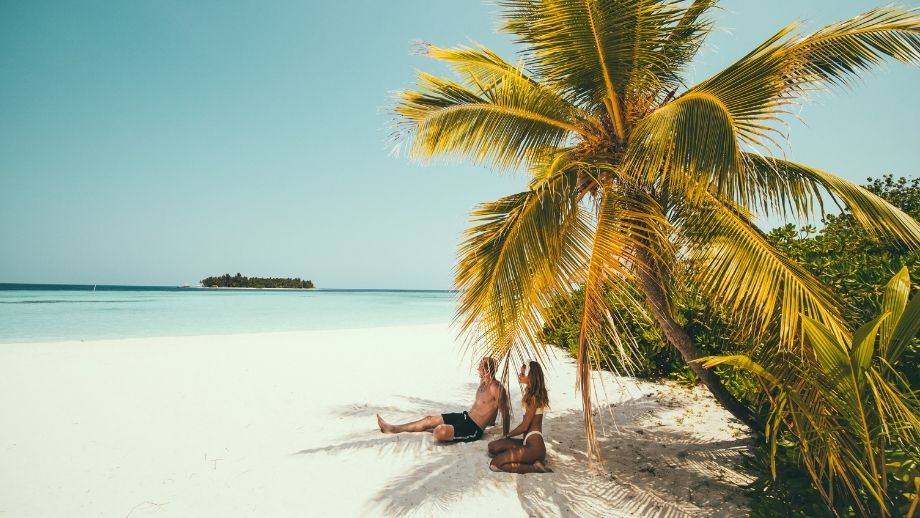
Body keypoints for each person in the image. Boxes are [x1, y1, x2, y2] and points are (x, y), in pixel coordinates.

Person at [376, 356, 509, 443]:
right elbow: (490, 407)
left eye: (480, 366)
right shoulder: (482, 384)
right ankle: (393, 428)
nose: (478, 368)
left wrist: (506, 435)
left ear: (486, 369)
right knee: (429, 419)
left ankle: (440, 430)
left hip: (473, 429)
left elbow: (505, 411)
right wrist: (491, 421)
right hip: (465, 417)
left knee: (439, 432)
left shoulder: (495, 387)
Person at [487, 360, 552, 473]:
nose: (519, 375)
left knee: (495, 464)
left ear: (530, 376)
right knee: (492, 447)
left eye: (522, 373)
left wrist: (507, 435)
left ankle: (534, 467)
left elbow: (524, 427)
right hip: (526, 442)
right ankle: (528, 460)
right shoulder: (530, 393)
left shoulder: (534, 398)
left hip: (535, 447)